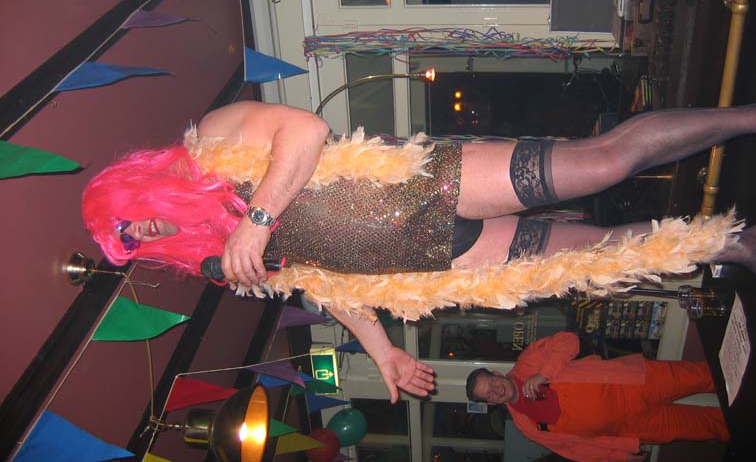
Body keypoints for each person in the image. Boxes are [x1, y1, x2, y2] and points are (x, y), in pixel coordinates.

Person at [83, 101, 756, 402]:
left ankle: (747, 117)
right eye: (129, 242)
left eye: (128, 219)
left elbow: (306, 130)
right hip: (434, 260)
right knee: (603, 253)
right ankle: (734, 242)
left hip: (425, 186)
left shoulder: (213, 142)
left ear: (135, 184)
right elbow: (323, 282)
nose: (141, 233)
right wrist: (383, 352)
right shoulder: (224, 257)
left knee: (601, 162)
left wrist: (256, 218)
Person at [466, 332, 729, 461]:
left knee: (706, 376)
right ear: (490, 403)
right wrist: (619, 457)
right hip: (632, 427)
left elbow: (569, 340)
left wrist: (543, 374)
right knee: (707, 427)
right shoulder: (525, 425)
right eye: (489, 394)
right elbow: (574, 449)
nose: (495, 390)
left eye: (491, 382)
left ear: (497, 374)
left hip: (634, 382)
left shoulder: (528, 362)